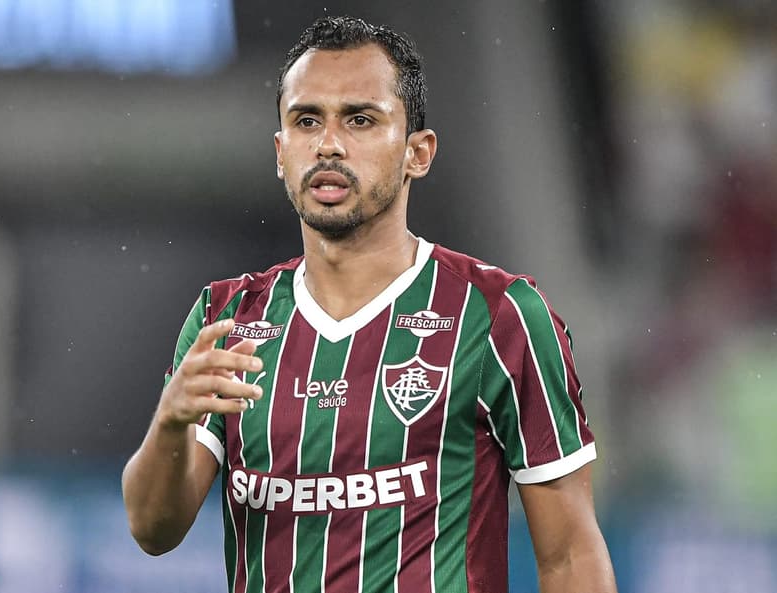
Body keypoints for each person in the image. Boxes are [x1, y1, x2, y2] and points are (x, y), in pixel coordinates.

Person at [122, 15, 617, 593]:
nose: (329, 144)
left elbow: (570, 557)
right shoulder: (227, 319)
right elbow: (153, 531)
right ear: (281, 152)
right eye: (307, 121)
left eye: (360, 120)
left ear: (418, 153)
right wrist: (170, 422)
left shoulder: (500, 316)